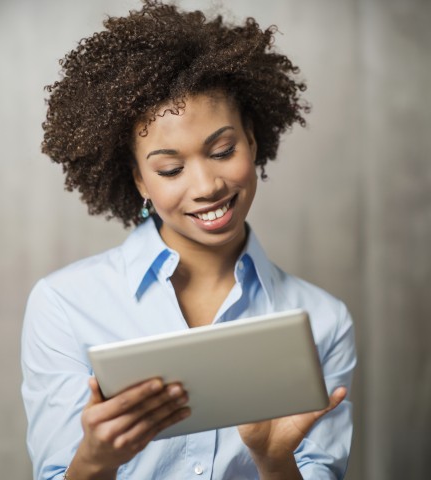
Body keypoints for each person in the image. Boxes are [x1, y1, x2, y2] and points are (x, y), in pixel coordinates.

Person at [21, 1, 356, 479]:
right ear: (138, 179)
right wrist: (95, 460)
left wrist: (275, 460)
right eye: (170, 169)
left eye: (223, 150)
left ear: (253, 141)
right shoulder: (64, 305)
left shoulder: (323, 320)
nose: (206, 187)